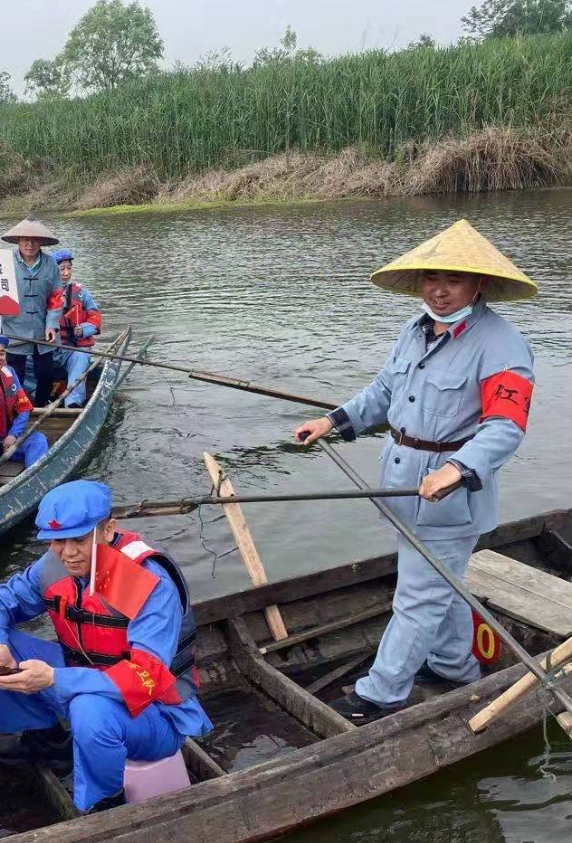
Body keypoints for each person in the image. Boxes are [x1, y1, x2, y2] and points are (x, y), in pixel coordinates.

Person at [294, 219, 536, 723]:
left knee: (418, 596)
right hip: (402, 486)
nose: (440, 290)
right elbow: (383, 393)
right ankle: (452, 665)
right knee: (440, 584)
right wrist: (333, 420)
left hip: (449, 499)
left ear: (479, 285)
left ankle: (379, 696)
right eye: (431, 278)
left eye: (453, 280)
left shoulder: (503, 346)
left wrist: (458, 469)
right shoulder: (415, 328)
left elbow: (506, 427)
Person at [0, 480, 212, 813]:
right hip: (82, 678)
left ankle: (105, 802)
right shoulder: (54, 565)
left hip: (153, 713)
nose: (68, 553)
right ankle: (50, 743)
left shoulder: (146, 581)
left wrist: (54, 679)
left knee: (90, 709)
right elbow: (5, 601)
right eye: (57, 541)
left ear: (108, 529)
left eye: (80, 540)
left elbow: (145, 676)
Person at [1, 215, 62, 407]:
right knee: (13, 374)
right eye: (26, 239)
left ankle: (41, 405)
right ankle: (15, 408)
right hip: (13, 329)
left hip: (43, 331)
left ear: (41, 242)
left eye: (35, 240)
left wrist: (52, 325)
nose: (30, 244)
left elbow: (56, 297)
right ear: (18, 241)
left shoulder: (51, 264)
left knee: (46, 373)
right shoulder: (4, 263)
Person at [52, 249, 102, 408]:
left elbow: (96, 316)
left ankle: (72, 403)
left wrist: (85, 329)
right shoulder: (43, 291)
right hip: (50, 349)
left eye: (69, 268)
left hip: (73, 349)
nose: (66, 273)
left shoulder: (81, 293)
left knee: (81, 357)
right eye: (62, 269)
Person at [0, 334, 48, 468]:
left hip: (6, 437)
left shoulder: (8, 372)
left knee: (38, 440)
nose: (0, 358)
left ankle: (34, 479)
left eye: (2, 353)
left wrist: (13, 435)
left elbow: (23, 406)